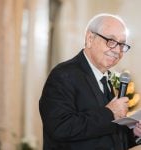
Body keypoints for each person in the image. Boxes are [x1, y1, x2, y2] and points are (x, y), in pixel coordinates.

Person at [39, 13, 141, 150]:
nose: (117, 50)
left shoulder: (105, 78)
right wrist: (110, 113)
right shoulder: (63, 75)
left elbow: (105, 133)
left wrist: (134, 133)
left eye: (122, 44)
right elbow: (60, 127)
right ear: (90, 38)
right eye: (111, 41)